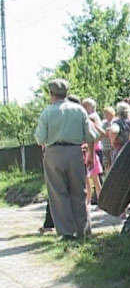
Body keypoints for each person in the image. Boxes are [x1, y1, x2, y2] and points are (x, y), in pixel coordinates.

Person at [34, 79, 97, 240]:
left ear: (51, 94)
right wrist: (90, 154)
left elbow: (40, 138)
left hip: (54, 152)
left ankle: (66, 232)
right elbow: (91, 135)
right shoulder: (79, 110)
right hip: (75, 151)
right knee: (79, 192)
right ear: (67, 93)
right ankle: (83, 230)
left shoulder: (47, 112)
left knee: (58, 193)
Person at [101, 106, 116, 173]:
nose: (106, 116)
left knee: (114, 164)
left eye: (108, 114)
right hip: (105, 147)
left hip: (113, 147)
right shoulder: (103, 123)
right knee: (106, 164)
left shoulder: (115, 122)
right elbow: (102, 133)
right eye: (105, 114)